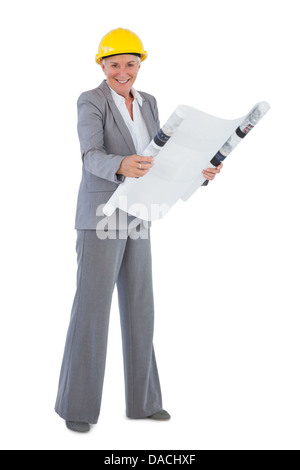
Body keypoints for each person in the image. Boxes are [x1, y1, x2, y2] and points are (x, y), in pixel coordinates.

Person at [54, 27, 222, 433]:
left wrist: (197, 174)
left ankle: (144, 402)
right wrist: (121, 164)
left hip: (140, 211)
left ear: (140, 64)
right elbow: (90, 154)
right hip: (103, 213)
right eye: (115, 64)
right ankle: (77, 406)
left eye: (130, 63)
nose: (123, 71)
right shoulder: (90, 100)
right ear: (102, 65)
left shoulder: (148, 102)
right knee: (93, 308)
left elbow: (161, 159)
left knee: (140, 304)